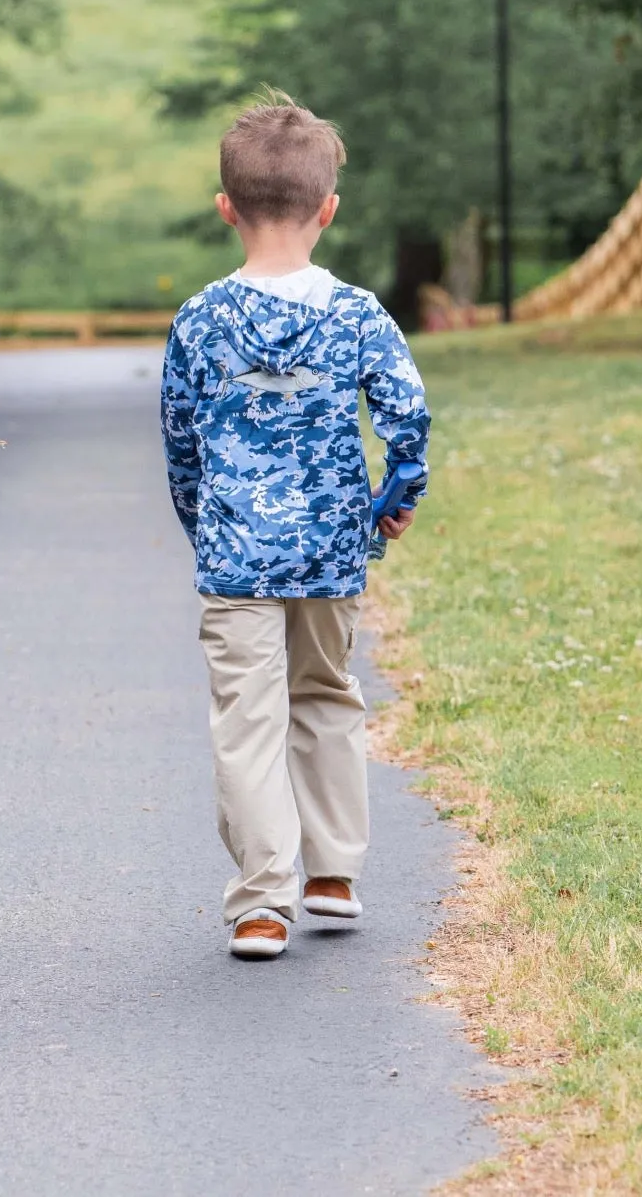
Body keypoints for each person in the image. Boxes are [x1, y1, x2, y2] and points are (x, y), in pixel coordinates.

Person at [159, 93, 429, 960]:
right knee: (326, 696)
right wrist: (390, 501)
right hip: (329, 549)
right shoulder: (355, 314)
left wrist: (205, 525)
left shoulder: (200, 318)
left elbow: (177, 438)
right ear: (328, 209)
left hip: (237, 554)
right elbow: (406, 414)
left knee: (247, 721)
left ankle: (262, 903)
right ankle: (334, 873)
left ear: (225, 207)